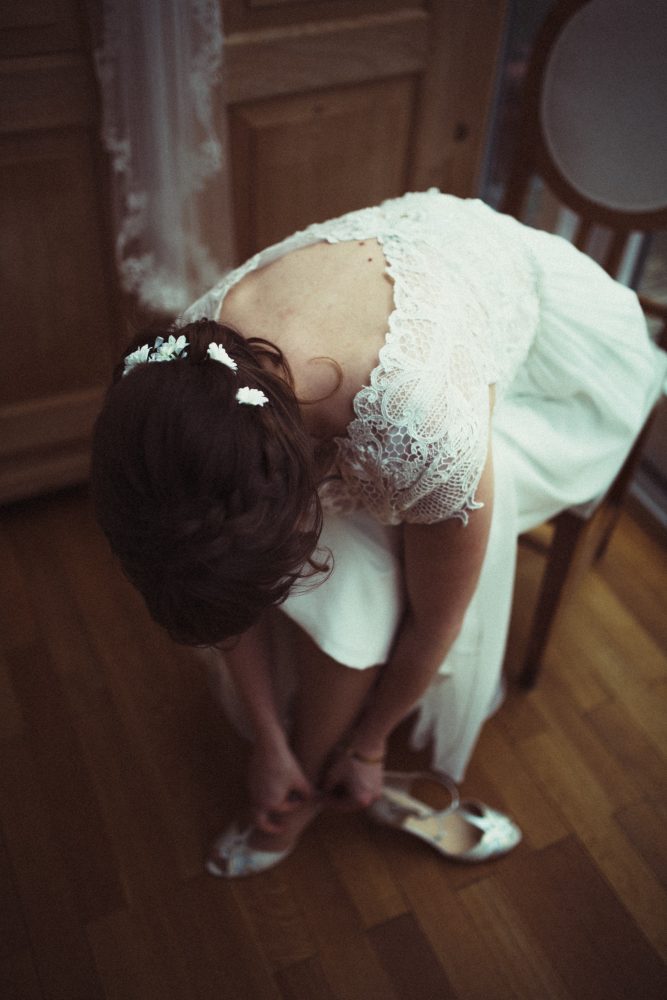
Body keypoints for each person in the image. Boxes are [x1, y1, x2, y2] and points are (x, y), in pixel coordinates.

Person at [92, 190, 665, 877]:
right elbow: (215, 581)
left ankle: (306, 783)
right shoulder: (180, 378)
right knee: (277, 572)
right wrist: (265, 740)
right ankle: (292, 756)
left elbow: (436, 621)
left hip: (547, 359)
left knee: (353, 591)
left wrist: (368, 746)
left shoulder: (422, 428)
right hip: (369, 336)